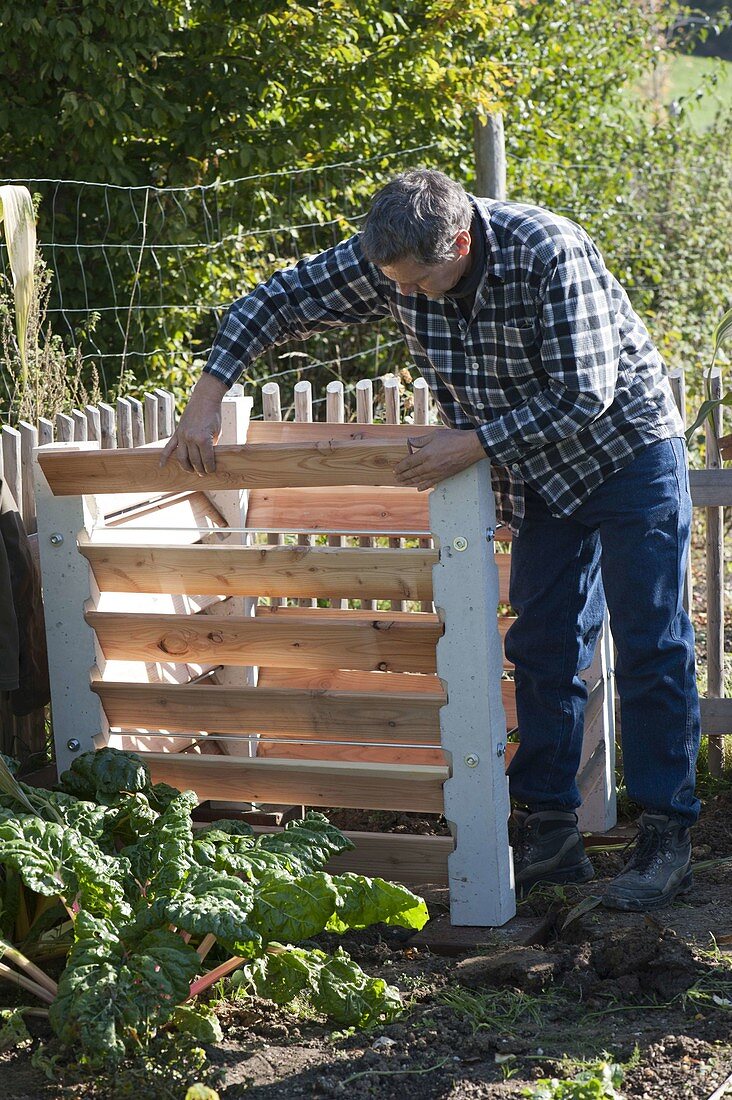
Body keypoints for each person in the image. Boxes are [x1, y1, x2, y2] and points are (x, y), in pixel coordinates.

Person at [162, 168, 700, 912]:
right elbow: (278, 300)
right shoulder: (395, 255)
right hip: (538, 470)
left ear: (462, 241)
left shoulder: (548, 251)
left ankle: (667, 832)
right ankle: (549, 830)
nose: (405, 296)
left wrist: (475, 441)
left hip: (625, 452)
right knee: (542, 643)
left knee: (651, 639)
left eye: (420, 281)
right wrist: (206, 396)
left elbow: (586, 392)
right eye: (395, 282)